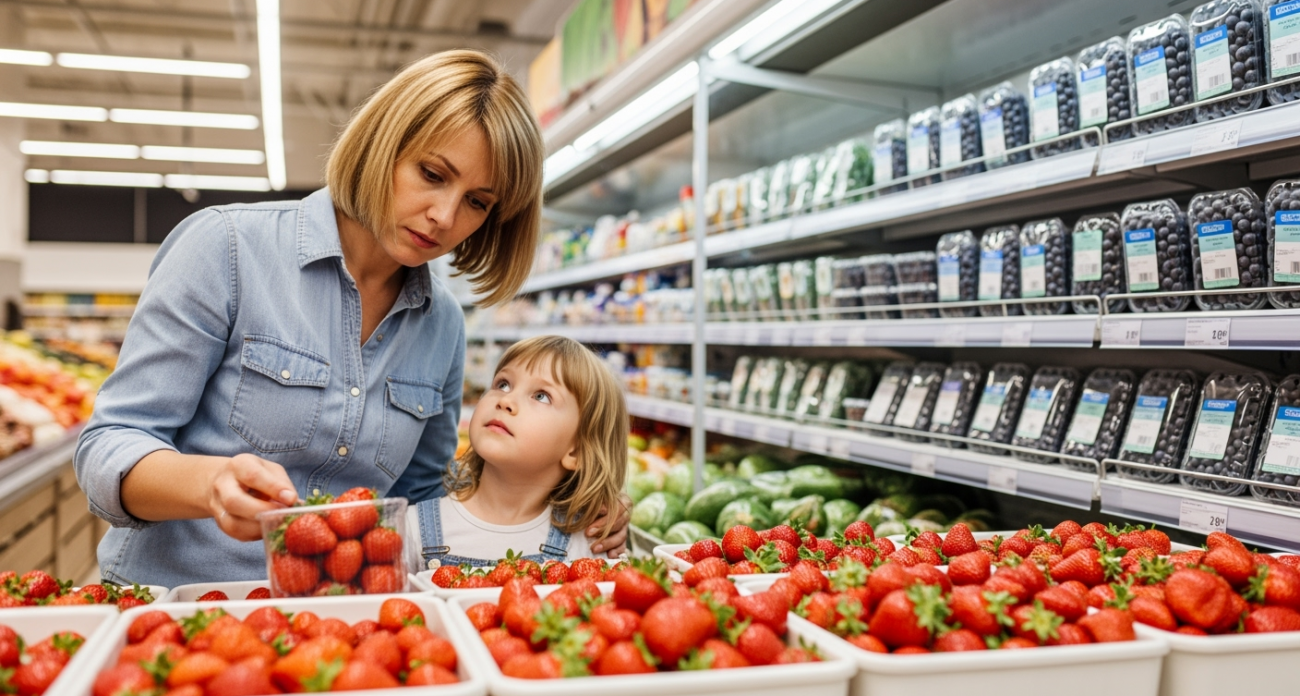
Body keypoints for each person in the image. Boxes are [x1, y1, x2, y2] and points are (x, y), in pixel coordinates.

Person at [74, 50, 628, 589]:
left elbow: (421, 496)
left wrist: (577, 506)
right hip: (178, 605)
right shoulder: (227, 249)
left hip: (335, 617)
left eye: (478, 202)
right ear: (383, 143)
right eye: (432, 174)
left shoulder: (443, 326)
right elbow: (110, 443)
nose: (444, 216)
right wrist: (209, 484)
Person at [407, 335, 627, 568]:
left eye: (541, 396)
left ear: (577, 452)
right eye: (503, 384)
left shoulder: (589, 548)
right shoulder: (412, 530)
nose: (506, 400)